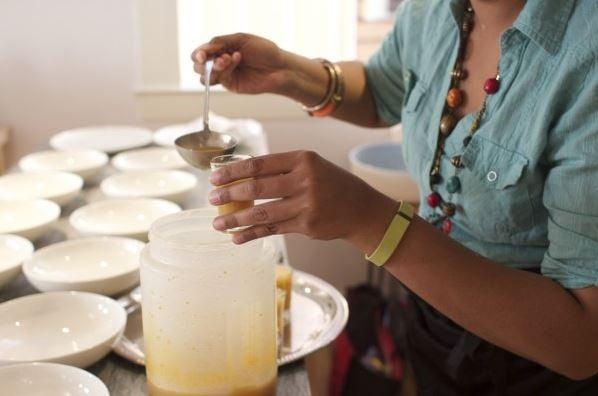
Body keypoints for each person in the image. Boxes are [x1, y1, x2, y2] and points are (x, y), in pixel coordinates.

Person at [192, 0, 598, 394]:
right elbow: (383, 92)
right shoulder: (430, 11)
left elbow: (583, 341)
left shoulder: (587, 55)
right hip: (430, 328)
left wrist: (370, 221)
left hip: (537, 368)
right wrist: (291, 74)